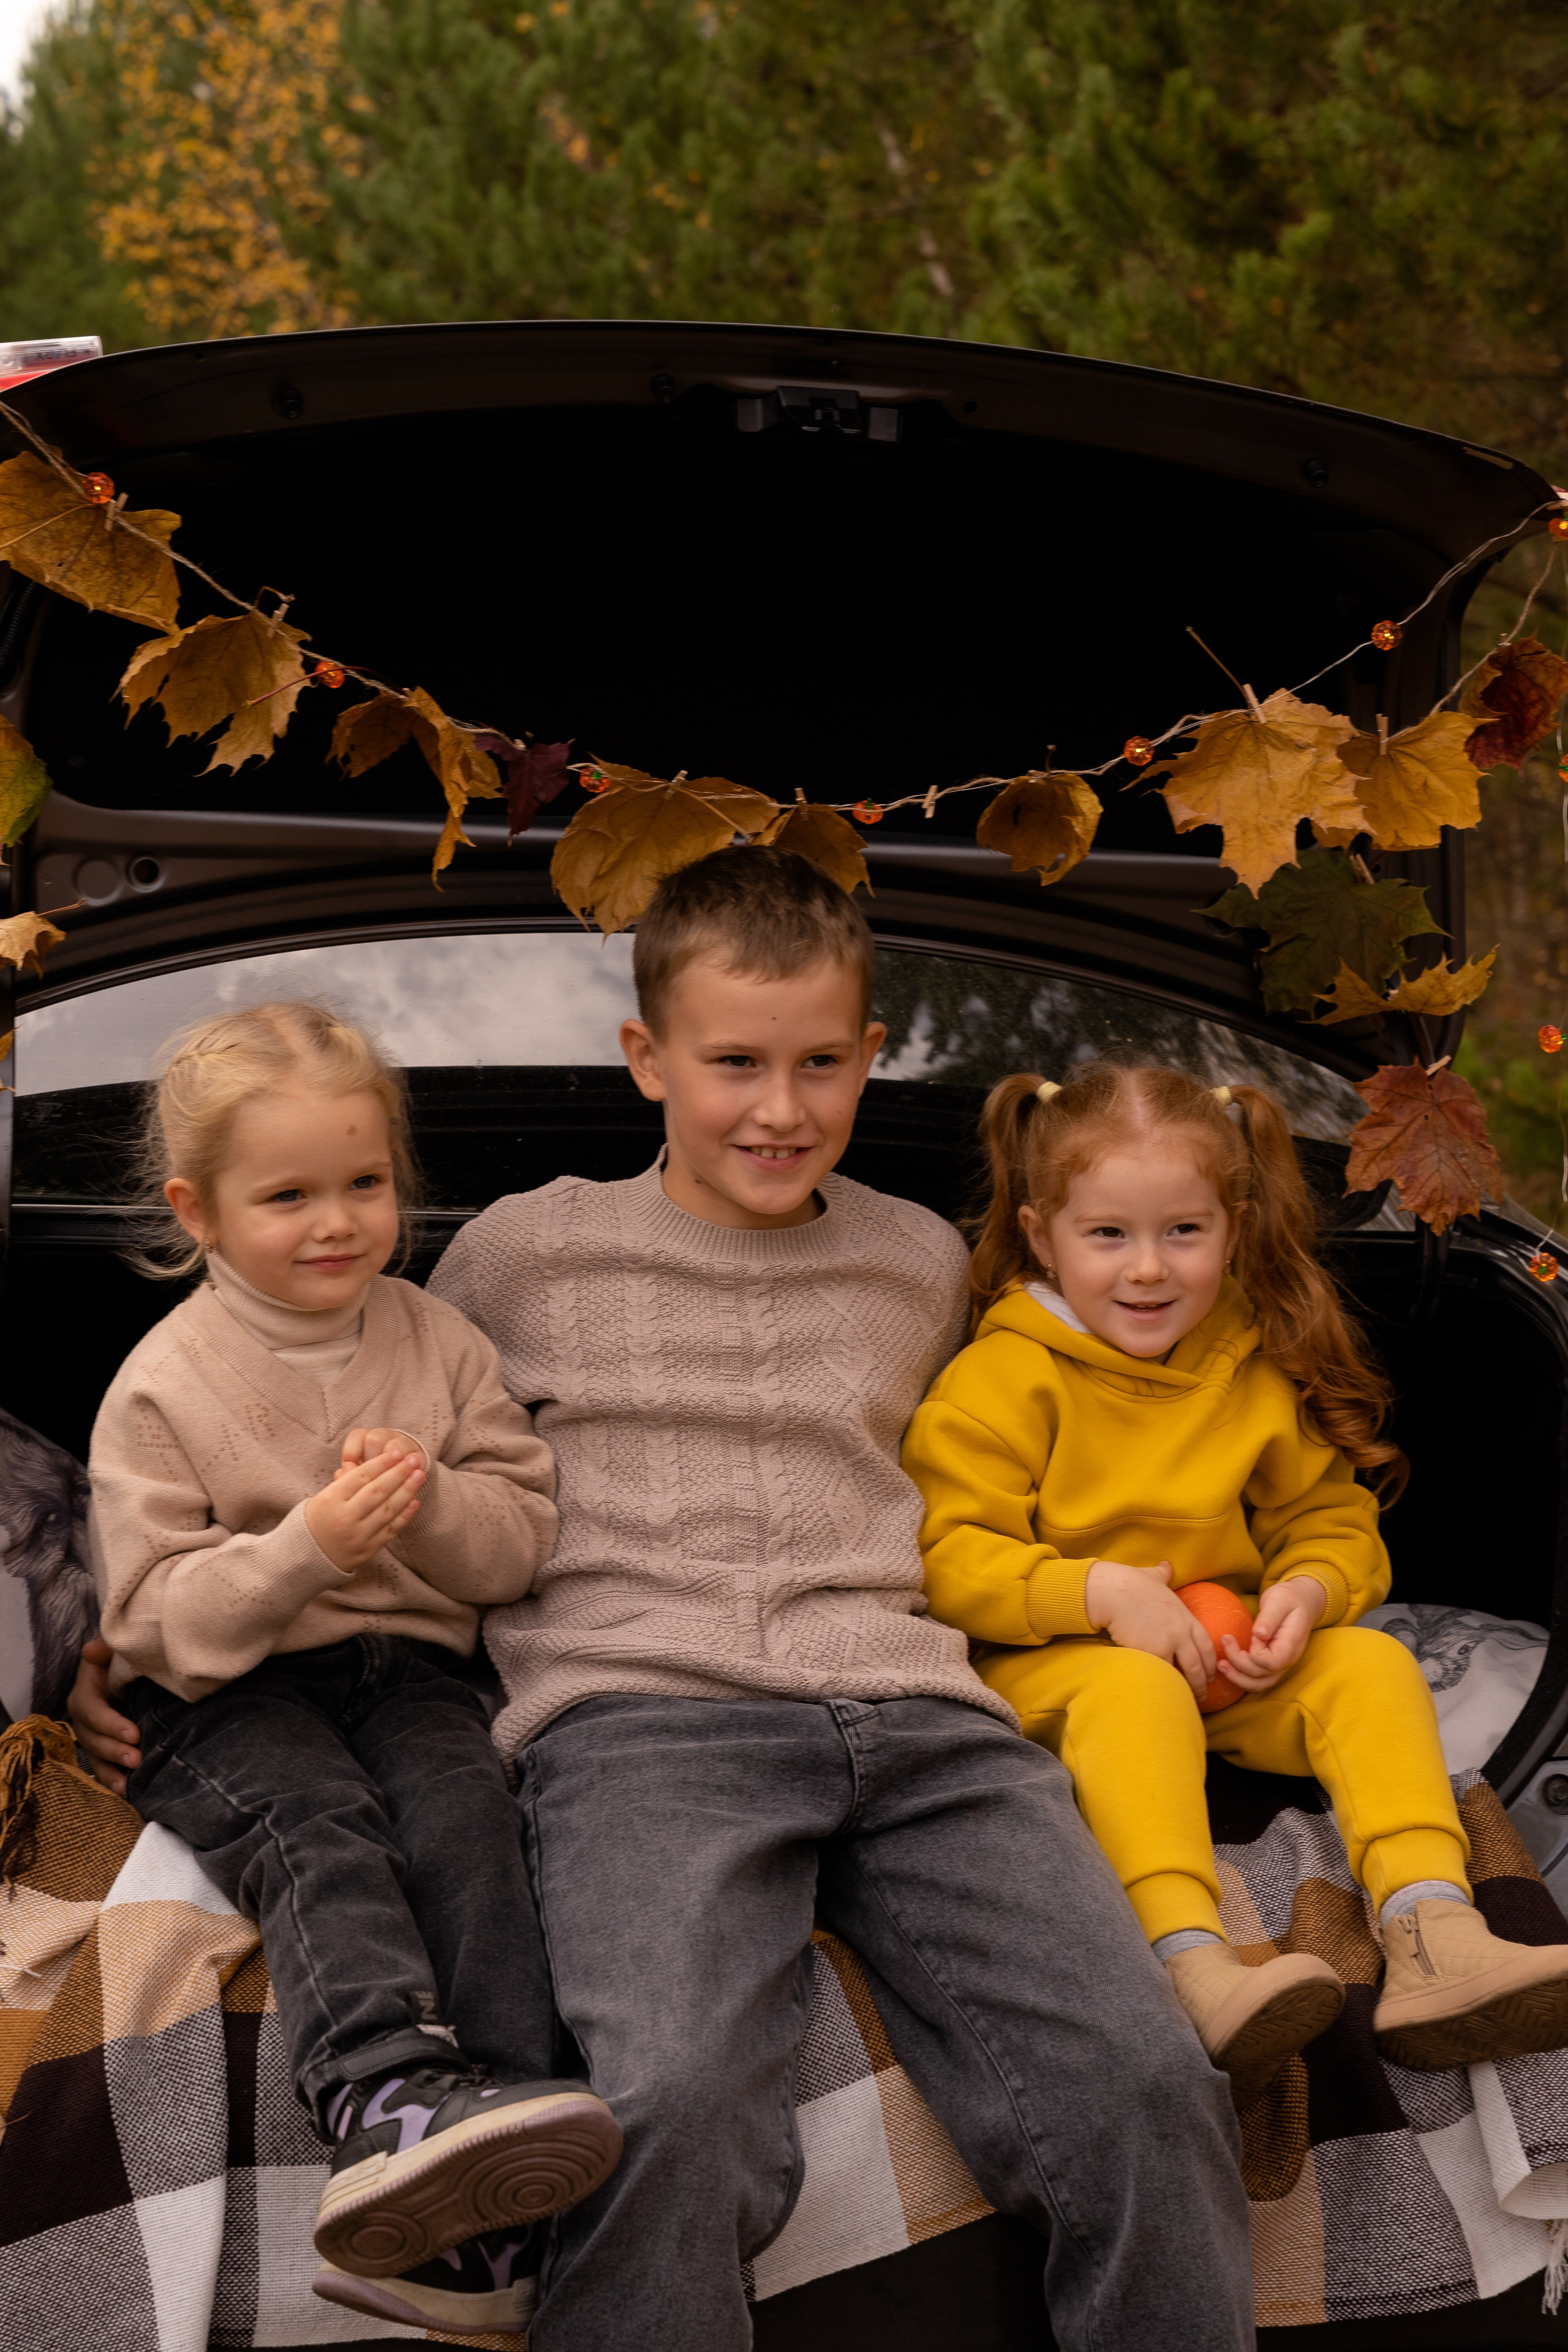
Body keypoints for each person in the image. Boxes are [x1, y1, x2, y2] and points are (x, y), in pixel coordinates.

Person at [77, 856, 1256, 2352]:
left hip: (924, 1723)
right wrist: (133, 1655)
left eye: (819, 1063)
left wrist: (1210, 1588)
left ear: (869, 1054)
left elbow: (1054, 1448)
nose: (781, 1107)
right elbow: (324, 1396)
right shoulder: (517, 1254)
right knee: (664, 2108)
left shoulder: (917, 1260)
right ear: (646, 1059)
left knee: (1145, 2083)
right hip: (643, 1729)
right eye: (735, 1063)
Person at [86, 1001, 620, 2340]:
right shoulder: (163, 1384)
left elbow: (518, 1544)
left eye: (364, 1184)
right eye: (288, 1197)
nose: (336, 1223)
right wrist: (304, 1550)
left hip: (412, 1671)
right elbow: (152, 1619)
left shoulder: (438, 1343)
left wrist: (430, 1504)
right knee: (320, 1828)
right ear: (198, 1212)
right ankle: (382, 2098)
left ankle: (503, 2143)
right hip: (224, 1693)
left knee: (470, 1823)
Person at [902, 1062, 1568, 2099]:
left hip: (1225, 1662)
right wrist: (1101, 1595)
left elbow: (1329, 1518)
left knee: (1368, 1667)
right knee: (1134, 1690)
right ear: (1042, 1236)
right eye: (1108, 1234)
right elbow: (946, 1557)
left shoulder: (1249, 1362)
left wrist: (1305, 1595)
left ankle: (1434, 1930)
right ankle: (1188, 1961)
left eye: (1184, 1232)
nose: (1148, 1269)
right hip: (1055, 1670)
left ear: (1234, 1228)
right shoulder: (1000, 1380)